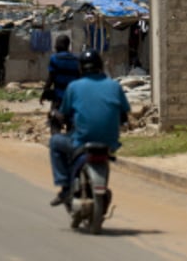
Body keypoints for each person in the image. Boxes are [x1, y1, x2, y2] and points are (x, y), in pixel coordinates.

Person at [48, 50, 130, 206]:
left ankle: (65, 186)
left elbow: (64, 114)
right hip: (110, 142)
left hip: (82, 140)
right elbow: (124, 115)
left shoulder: (74, 87)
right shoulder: (115, 86)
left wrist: (55, 114)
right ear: (100, 66)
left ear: (81, 68)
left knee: (55, 142)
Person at [39, 35, 81, 133]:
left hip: (58, 97)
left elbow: (51, 78)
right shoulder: (76, 60)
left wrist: (45, 91)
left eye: (56, 44)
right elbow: (79, 78)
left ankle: (56, 143)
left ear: (58, 45)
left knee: (55, 121)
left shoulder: (55, 58)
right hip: (72, 97)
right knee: (72, 124)